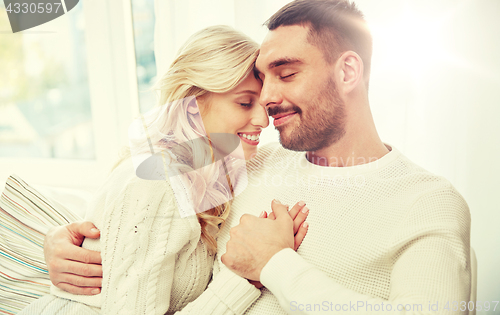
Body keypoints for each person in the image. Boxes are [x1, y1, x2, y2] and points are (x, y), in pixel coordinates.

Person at [43, 0, 472, 314]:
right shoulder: (247, 159)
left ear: (347, 71)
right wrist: (68, 241)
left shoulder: (425, 201)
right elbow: (136, 197)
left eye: (285, 74)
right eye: (260, 82)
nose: (266, 101)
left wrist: (275, 265)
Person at [19, 25, 309, 315]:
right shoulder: (156, 183)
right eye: (244, 103)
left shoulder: (207, 178)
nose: (263, 120)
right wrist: (245, 277)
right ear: (193, 106)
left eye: (263, 105)